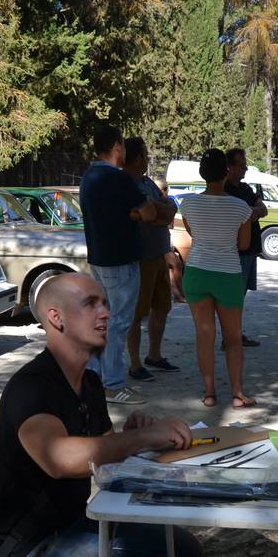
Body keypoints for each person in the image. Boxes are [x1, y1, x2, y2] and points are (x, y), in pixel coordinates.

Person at [0, 273, 201, 557]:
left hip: (82, 523)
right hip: (34, 545)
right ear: (56, 317)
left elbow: (100, 452)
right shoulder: (32, 387)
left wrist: (133, 434)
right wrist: (138, 440)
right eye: (90, 304)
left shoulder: (88, 382)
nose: (105, 312)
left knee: (183, 553)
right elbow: (59, 459)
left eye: (104, 302)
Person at [79, 124, 163, 405]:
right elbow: (150, 212)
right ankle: (112, 384)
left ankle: (94, 377)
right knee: (119, 323)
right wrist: (138, 215)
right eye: (123, 145)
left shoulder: (88, 177)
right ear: (116, 146)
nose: (125, 151)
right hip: (122, 259)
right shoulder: (120, 178)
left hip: (99, 259)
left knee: (102, 320)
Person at [179, 149, 258, 408]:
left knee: (204, 335)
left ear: (202, 174)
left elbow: (193, 233)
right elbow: (244, 244)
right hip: (228, 274)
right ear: (227, 172)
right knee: (233, 337)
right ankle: (237, 393)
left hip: (197, 272)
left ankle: (209, 392)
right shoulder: (241, 207)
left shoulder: (188, 203)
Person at [122, 136, 179, 381]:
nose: (147, 159)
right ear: (137, 157)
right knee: (136, 313)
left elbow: (169, 211)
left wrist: (156, 213)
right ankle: (134, 364)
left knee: (162, 308)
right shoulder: (126, 184)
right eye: (145, 155)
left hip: (158, 254)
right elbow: (153, 212)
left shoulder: (147, 182)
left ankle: (154, 355)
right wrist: (156, 212)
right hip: (140, 257)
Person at [224, 147, 265, 348]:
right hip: (236, 251)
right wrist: (250, 211)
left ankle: (235, 334)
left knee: (239, 296)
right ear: (229, 167)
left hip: (250, 250)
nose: (245, 169)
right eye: (241, 166)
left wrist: (249, 211)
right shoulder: (225, 190)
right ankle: (230, 337)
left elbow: (263, 209)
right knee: (232, 296)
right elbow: (236, 215)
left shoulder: (246, 189)